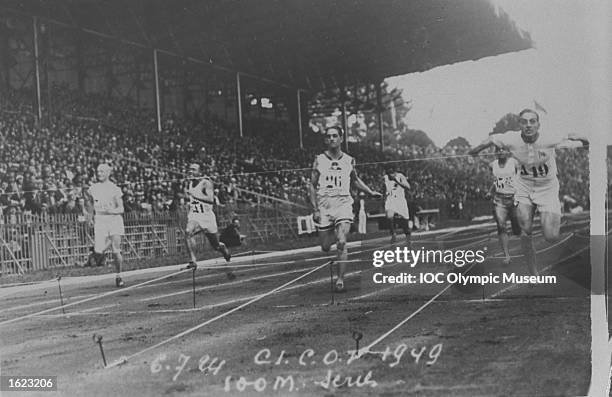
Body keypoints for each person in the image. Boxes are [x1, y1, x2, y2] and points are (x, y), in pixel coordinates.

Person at [469, 109, 588, 275]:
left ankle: (550, 218)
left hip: (547, 188)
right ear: (520, 125)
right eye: (524, 122)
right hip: (524, 186)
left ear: (538, 125)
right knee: (525, 229)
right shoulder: (511, 138)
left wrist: (587, 141)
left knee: (551, 236)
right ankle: (533, 272)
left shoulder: (550, 137)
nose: (528, 125)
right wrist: (476, 150)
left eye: (532, 121)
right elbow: (491, 139)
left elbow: (573, 135)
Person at [308, 126, 382, 292]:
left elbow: (354, 180)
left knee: (341, 240)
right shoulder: (319, 159)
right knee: (326, 247)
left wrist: (370, 191)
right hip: (324, 205)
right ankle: (334, 233)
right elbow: (312, 185)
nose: (332, 139)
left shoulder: (349, 159)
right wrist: (315, 209)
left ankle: (340, 280)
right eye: (329, 136)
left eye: (335, 136)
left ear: (341, 138)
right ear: (325, 140)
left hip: (343, 204)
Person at [184, 163, 234, 280]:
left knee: (216, 246)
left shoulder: (206, 182)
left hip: (207, 218)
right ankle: (193, 260)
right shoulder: (190, 183)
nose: (190, 171)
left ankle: (224, 250)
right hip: (195, 216)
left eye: (194, 170)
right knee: (188, 232)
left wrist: (194, 195)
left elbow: (210, 200)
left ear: (199, 172)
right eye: (189, 169)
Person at [85, 163, 125, 287]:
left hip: (114, 219)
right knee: (98, 250)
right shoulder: (93, 188)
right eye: (98, 171)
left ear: (108, 173)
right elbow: (90, 203)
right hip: (100, 219)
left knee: (115, 251)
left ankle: (118, 276)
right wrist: (90, 217)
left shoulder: (114, 188)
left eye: (102, 171)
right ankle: (98, 252)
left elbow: (121, 208)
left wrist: (111, 211)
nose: (99, 174)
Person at [485, 147, 521, 264]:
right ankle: (506, 256)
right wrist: (490, 191)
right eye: (498, 150)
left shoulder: (514, 162)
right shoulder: (492, 165)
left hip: (514, 198)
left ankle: (519, 235)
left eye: (503, 149)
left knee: (516, 226)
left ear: (507, 152)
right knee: (501, 226)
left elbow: (522, 178)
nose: (500, 152)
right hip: (499, 199)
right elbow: (496, 181)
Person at [383, 166, 412, 244]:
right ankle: (393, 234)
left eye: (392, 173)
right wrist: (383, 197)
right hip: (390, 199)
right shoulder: (385, 178)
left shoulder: (400, 176)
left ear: (395, 172)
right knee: (389, 216)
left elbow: (408, 187)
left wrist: (397, 181)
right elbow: (384, 189)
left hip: (400, 200)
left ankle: (408, 236)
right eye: (388, 173)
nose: (390, 175)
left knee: (405, 222)